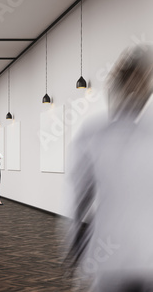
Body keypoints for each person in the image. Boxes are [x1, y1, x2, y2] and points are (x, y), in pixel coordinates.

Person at [65, 43, 153, 291]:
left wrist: (73, 244)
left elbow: (78, 196)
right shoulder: (94, 134)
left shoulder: (95, 133)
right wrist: (74, 243)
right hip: (114, 255)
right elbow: (79, 195)